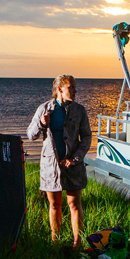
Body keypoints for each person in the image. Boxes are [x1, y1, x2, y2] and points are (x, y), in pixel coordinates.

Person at [27, 75, 91, 247]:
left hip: (73, 164)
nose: (75, 91)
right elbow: (30, 135)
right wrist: (41, 123)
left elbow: (86, 137)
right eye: (71, 87)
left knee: (74, 203)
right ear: (60, 89)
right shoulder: (45, 109)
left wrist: (75, 159)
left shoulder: (80, 110)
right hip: (51, 165)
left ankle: (77, 244)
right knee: (54, 204)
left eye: (75, 87)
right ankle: (56, 242)